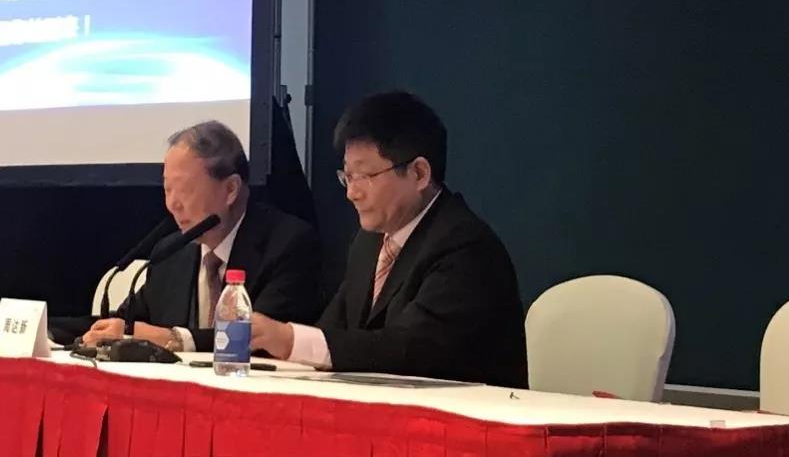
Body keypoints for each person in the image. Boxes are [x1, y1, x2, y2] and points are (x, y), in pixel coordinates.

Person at [251, 92, 527, 387]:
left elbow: (410, 349)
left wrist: (290, 340)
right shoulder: (369, 243)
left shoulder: (466, 247)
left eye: (364, 176)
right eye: (347, 177)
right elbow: (336, 330)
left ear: (419, 173)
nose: (351, 193)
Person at [82, 120, 321, 352]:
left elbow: (259, 337)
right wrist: (64, 329)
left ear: (231, 189)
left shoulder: (288, 245)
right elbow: (123, 324)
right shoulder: (171, 253)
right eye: (167, 190)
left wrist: (175, 339)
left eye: (184, 190)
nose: (173, 204)